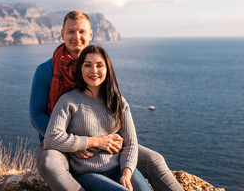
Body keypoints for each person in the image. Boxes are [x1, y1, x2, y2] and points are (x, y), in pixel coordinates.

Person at [29, 10, 183, 191]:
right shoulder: (47, 70)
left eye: (81, 32)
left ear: (90, 35)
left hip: (100, 138)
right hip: (59, 139)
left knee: (153, 159)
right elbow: (36, 113)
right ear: (62, 35)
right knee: (49, 163)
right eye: (70, 32)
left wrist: (111, 152)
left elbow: (111, 108)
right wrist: (78, 141)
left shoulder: (97, 68)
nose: (76, 37)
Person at [44, 45, 152, 191]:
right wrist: (96, 141)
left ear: (107, 70)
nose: (94, 70)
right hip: (87, 173)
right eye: (87, 65)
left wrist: (126, 173)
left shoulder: (118, 101)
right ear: (80, 69)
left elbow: (131, 143)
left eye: (99, 65)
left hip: (119, 168)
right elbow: (51, 138)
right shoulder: (68, 101)